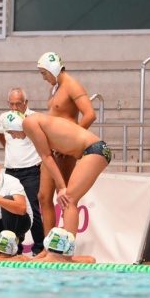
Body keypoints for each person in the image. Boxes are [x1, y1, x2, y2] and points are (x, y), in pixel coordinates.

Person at [4, 111, 110, 236]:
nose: (13, 137)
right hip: (96, 149)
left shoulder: (28, 123)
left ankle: (66, 252)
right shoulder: (35, 120)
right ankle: (60, 250)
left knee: (68, 200)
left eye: (11, 132)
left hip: (94, 150)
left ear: (15, 126)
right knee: (66, 200)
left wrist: (62, 187)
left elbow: (47, 157)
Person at [36, 52, 96, 236]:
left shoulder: (72, 85)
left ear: (53, 69)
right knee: (44, 197)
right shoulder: (55, 88)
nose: (44, 78)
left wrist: (70, 141)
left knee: (65, 198)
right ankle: (48, 246)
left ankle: (64, 246)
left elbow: (90, 114)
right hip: (53, 149)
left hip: (65, 151)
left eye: (44, 73)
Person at [0, 87, 44, 255]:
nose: (14, 108)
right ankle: (14, 247)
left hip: (31, 170)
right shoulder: (3, 118)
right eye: (11, 104)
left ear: (26, 103)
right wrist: (7, 145)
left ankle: (39, 248)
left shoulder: (33, 119)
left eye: (18, 104)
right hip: (11, 170)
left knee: (33, 210)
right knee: (10, 209)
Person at [31, 227, 95, 264]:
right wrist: (67, 259)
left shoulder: (34, 263)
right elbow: (92, 259)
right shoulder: (74, 264)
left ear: (46, 242)